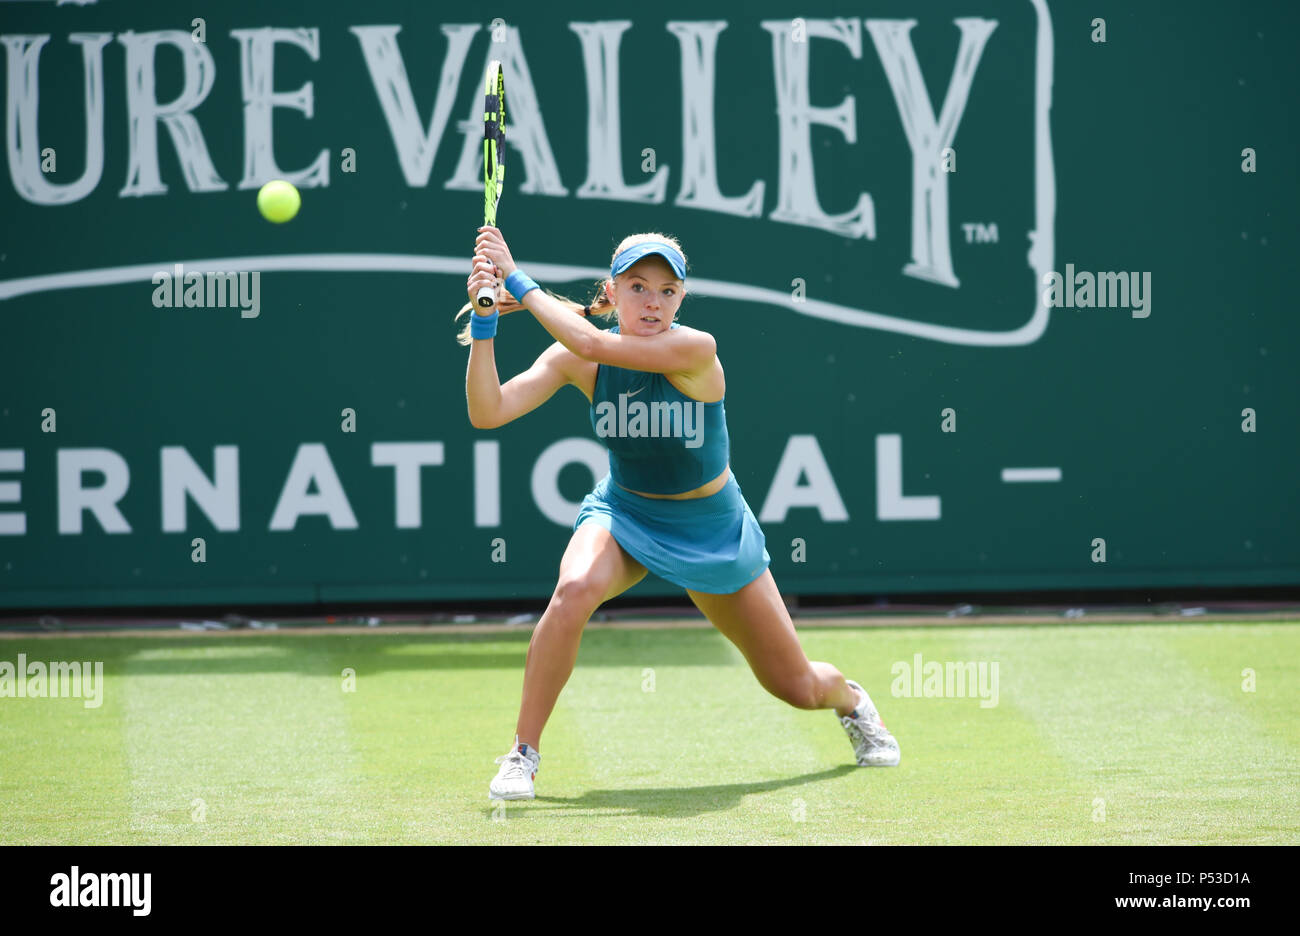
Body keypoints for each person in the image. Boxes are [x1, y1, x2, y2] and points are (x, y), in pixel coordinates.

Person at [459, 225, 900, 801]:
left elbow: (593, 343)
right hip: (624, 513)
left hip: (712, 530)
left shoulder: (695, 350)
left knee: (795, 685)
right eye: (638, 287)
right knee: (572, 590)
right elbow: (488, 412)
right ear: (612, 293)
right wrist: (486, 324)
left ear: (682, 299)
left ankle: (853, 701)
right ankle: (523, 753)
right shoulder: (578, 359)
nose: (653, 302)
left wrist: (516, 276)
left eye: (667, 291)